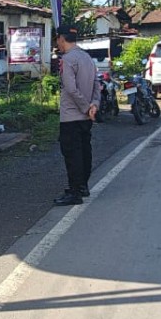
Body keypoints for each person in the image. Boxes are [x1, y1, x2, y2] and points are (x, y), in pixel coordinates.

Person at [53, 25, 99, 206]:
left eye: (57, 39)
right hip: (86, 116)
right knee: (85, 151)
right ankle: (82, 186)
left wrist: (85, 107)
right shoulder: (87, 57)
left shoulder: (68, 59)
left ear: (61, 39)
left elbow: (70, 88)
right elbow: (96, 83)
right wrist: (94, 105)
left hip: (71, 116)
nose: (57, 43)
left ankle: (74, 192)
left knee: (72, 154)